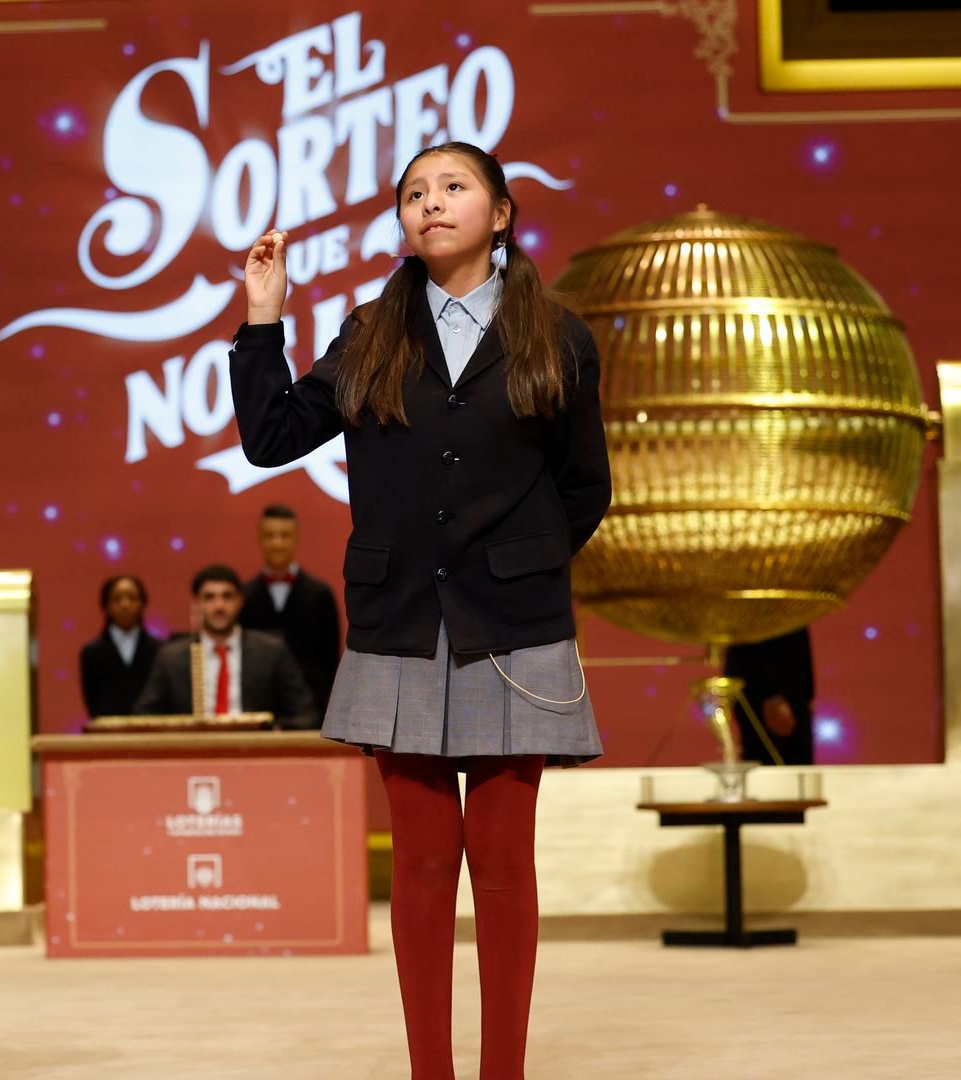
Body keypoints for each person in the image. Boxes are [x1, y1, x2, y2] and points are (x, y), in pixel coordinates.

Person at [230, 142, 611, 1079]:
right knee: (422, 872)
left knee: (505, 869)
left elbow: (584, 487)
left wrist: (520, 566)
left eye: (452, 188)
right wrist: (263, 322)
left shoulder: (555, 335)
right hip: (400, 622)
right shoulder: (370, 332)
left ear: (502, 213)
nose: (429, 204)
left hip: (513, 631)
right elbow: (269, 437)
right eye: (413, 194)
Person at [133, 564, 316, 729]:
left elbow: (306, 714)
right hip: (194, 755)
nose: (219, 606)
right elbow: (144, 718)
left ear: (240, 601)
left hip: (254, 752)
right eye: (209, 597)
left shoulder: (271, 651)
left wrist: (271, 731)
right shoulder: (171, 658)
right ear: (196, 603)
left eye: (227, 597)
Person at [239, 504, 343, 719]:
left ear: (297, 538)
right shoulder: (244, 596)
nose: (277, 543)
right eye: (270, 535)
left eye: (285, 535)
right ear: (259, 538)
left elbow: (330, 660)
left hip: (311, 710)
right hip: (257, 709)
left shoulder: (320, 594)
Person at [725, 627, 816, 765]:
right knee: (766, 761)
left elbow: (802, 643)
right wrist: (771, 694)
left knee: (798, 762)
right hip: (761, 693)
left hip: (795, 694)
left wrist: (808, 694)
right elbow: (750, 642)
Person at [79, 574, 163, 719]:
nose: (125, 605)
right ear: (106, 606)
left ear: (143, 603)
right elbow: (92, 701)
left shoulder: (160, 651)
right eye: (117, 599)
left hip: (149, 732)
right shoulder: (92, 653)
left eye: (132, 598)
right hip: (107, 735)